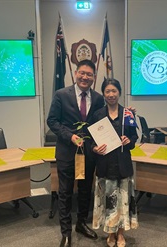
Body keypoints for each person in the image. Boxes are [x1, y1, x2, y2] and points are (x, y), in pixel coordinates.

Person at [47, 59, 105, 247]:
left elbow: (99, 125)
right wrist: (70, 136)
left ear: (94, 77)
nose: (85, 77)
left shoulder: (97, 98)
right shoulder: (61, 94)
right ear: (75, 73)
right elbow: (52, 121)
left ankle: (81, 223)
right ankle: (65, 232)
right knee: (64, 192)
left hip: (88, 153)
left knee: (85, 190)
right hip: (67, 151)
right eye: (82, 73)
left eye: (89, 74)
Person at [91, 78, 139, 247]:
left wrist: (129, 141)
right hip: (105, 164)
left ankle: (120, 234)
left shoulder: (128, 113)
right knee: (108, 201)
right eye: (107, 91)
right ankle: (110, 233)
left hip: (123, 164)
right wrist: (95, 148)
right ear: (103, 94)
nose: (111, 95)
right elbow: (91, 141)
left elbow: (134, 138)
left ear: (119, 92)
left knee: (122, 201)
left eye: (114, 91)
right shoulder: (97, 115)